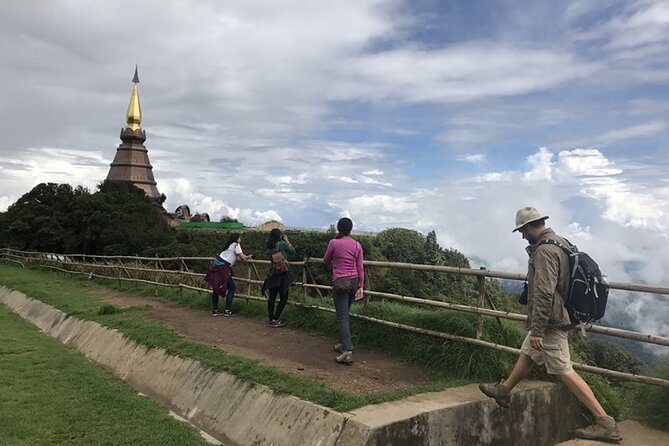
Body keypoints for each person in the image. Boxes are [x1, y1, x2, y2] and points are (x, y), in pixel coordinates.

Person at [478, 207, 621, 443]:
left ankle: (605, 422)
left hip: (551, 321)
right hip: (558, 315)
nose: (522, 236)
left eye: (522, 231)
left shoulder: (544, 251)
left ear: (529, 227)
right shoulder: (561, 243)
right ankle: (504, 391)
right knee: (529, 352)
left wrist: (538, 329)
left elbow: (544, 292)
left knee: (564, 370)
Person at [323, 217, 364, 365]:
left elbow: (325, 260)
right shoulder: (357, 245)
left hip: (340, 283)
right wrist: (361, 286)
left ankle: (347, 350)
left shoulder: (334, 243)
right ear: (350, 229)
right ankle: (341, 343)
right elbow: (360, 267)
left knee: (342, 316)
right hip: (353, 282)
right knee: (345, 314)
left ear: (339, 229)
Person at [208, 233, 252, 317]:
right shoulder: (236, 245)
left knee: (216, 288)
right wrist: (248, 257)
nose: (240, 239)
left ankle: (215, 310)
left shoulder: (228, 245)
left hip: (216, 266)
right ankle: (227, 310)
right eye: (240, 238)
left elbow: (235, 257)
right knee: (232, 288)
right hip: (223, 269)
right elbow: (242, 257)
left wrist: (246, 257)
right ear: (237, 239)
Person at [262, 228, 296, 327]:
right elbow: (293, 251)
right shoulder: (282, 244)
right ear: (280, 235)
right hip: (283, 274)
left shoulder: (270, 246)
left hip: (273, 274)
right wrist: (287, 241)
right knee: (284, 298)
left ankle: (271, 318)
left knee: (272, 297)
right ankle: (276, 319)